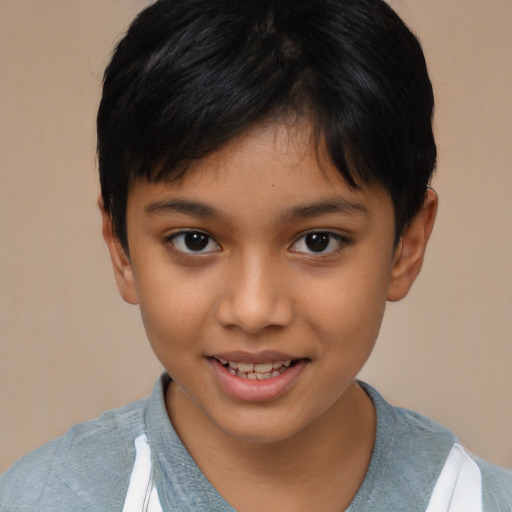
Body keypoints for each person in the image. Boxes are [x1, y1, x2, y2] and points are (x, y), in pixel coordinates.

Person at [1, 0, 511, 510]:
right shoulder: (41, 498)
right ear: (122, 250)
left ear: (407, 246)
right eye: (194, 240)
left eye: (318, 241)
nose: (253, 310)